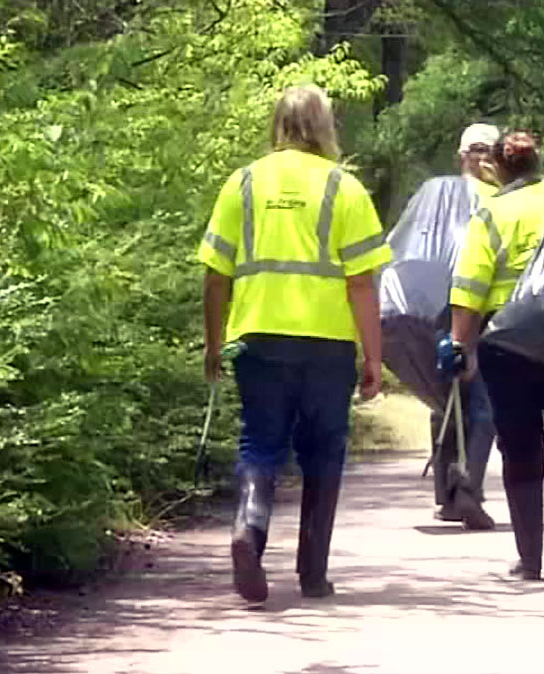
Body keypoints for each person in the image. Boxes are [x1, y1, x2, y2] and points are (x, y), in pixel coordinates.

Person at [197, 84, 391, 603]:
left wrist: (214, 344)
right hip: (327, 343)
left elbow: (216, 277)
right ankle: (312, 573)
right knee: (324, 451)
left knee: (261, 441)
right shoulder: (344, 188)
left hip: (257, 336)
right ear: (325, 126)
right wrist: (373, 357)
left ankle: (248, 529)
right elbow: (361, 284)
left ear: (277, 124)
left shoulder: (242, 184)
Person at [446, 130, 544, 582]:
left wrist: (459, 344)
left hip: (507, 341)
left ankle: (530, 558)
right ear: (540, 161)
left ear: (497, 167)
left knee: (519, 444)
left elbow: (469, 286)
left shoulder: (491, 212)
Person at [427, 123, 500, 529]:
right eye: (475, 148)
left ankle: (465, 488)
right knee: (446, 399)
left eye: (490, 149)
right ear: (461, 155)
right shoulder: (442, 197)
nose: (482, 155)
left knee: (481, 402)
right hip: (445, 305)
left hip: (489, 306)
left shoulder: (505, 198)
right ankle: (451, 493)